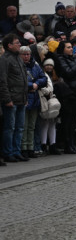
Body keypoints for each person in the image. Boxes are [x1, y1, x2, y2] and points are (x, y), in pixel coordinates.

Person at [1, 32, 29, 163]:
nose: (19, 45)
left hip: (21, 98)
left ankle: (16, 151)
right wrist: (7, 99)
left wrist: (25, 97)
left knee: (19, 128)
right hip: (11, 99)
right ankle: (8, 152)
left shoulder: (18, 58)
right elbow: (3, 81)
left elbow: (23, 78)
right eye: (17, 43)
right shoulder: (5, 59)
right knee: (9, 128)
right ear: (9, 45)